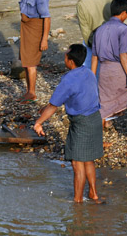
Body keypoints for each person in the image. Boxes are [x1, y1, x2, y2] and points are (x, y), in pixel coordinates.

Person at [33, 44, 103, 203]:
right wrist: (47, 107)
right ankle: (93, 193)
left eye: (65, 55)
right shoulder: (89, 73)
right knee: (89, 160)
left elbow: (53, 106)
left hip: (81, 123)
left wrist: (38, 123)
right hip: (94, 118)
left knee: (78, 164)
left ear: (71, 61)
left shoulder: (69, 79)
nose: (64, 57)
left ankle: (77, 201)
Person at [91, 0, 127, 129]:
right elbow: (123, 55)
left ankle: (98, 139)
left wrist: (92, 76)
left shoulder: (99, 30)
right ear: (124, 13)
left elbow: (94, 57)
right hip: (117, 69)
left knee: (104, 103)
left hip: (103, 71)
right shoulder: (123, 29)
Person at [18, 0, 51, 103]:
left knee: (31, 62)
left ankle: (32, 92)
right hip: (25, 28)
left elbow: (47, 18)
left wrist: (44, 40)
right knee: (26, 61)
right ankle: (28, 90)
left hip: (35, 29)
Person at [76, 0, 113, 68]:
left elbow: (85, 31)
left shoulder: (82, 4)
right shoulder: (109, 0)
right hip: (110, 44)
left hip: (92, 44)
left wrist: (94, 44)